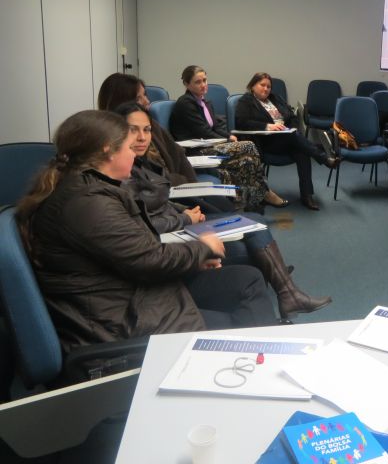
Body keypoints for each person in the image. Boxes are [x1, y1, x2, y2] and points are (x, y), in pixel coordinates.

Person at [15, 110, 279, 353]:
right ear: (108, 150)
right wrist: (202, 248)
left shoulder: (89, 191)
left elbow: (136, 252)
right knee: (241, 323)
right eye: (129, 148)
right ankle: (255, 363)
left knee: (248, 280)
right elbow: (149, 259)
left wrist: (194, 258)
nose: (134, 155)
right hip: (121, 323)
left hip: (131, 295)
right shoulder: (87, 203)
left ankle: (257, 358)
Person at [116, 102, 332, 317]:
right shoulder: (123, 173)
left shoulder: (141, 164)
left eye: (147, 130)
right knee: (252, 225)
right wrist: (185, 218)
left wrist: (185, 213)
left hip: (179, 222)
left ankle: (285, 289)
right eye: (133, 130)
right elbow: (145, 221)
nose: (142, 137)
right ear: (117, 133)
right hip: (172, 237)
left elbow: (159, 202)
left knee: (254, 221)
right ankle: (286, 290)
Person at [166, 66, 288, 210]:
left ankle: (250, 201)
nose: (203, 85)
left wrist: (229, 135)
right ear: (187, 84)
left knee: (248, 160)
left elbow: (215, 127)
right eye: (198, 82)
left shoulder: (205, 102)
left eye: (205, 80)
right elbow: (204, 131)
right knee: (248, 145)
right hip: (196, 151)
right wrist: (228, 140)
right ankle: (264, 193)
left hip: (210, 145)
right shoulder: (185, 103)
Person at [235, 72, 339, 211]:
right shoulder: (246, 101)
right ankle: (324, 158)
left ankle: (307, 195)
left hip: (286, 138)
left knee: (302, 150)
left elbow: (291, 115)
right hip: (266, 141)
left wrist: (292, 128)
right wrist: (267, 126)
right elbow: (241, 122)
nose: (266, 89)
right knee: (296, 139)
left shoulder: (275, 98)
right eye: (262, 85)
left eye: (268, 86)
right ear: (253, 85)